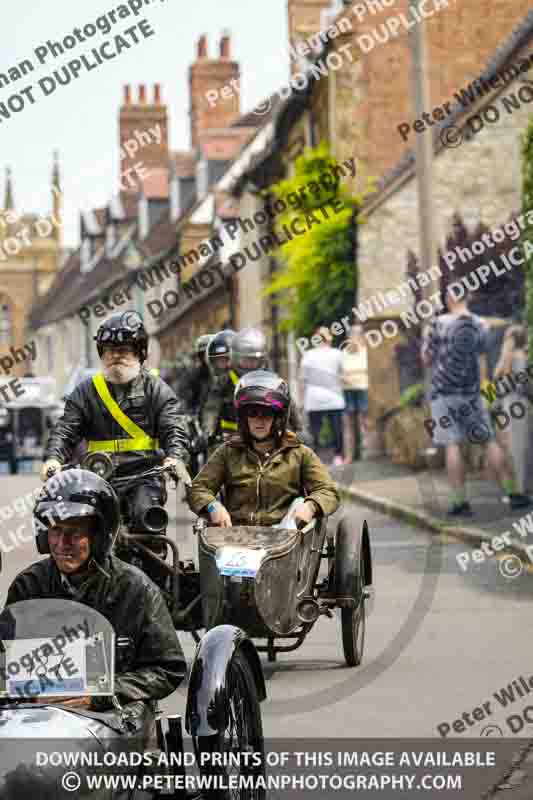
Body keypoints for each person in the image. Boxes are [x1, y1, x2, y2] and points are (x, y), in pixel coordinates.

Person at [5, 469, 186, 715]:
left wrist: (103, 695)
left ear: (99, 536)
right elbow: (6, 664)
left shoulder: (135, 589)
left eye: (75, 532)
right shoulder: (28, 586)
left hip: (112, 718)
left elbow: (168, 668)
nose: (62, 543)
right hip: (38, 716)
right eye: (55, 531)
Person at [40, 311, 191, 570]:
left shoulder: (156, 389)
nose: (116, 356)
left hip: (144, 475)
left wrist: (175, 457)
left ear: (140, 352)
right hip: (96, 476)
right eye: (109, 350)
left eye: (124, 349)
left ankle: (153, 579)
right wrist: (54, 457)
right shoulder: (87, 391)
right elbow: (66, 428)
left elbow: (174, 427)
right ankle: (73, 577)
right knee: (73, 522)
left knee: (148, 518)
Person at [421, 287, 531, 515]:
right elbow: (482, 360)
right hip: (472, 393)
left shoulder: (436, 324)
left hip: (444, 393)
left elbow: (426, 358)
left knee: (452, 445)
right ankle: (513, 494)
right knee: (489, 441)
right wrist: (482, 388)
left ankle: (460, 502)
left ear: (449, 298)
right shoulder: (480, 324)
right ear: (467, 297)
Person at [188, 370, 340, 528]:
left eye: (266, 413)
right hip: (235, 538)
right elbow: (197, 488)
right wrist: (213, 506)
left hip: (285, 540)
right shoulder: (228, 451)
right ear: (243, 417)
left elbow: (328, 490)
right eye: (252, 413)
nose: (259, 420)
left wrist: (310, 506)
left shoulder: (300, 453)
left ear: (278, 418)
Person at [299, 327, 346, 466]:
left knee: (314, 431)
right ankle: (338, 457)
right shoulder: (337, 354)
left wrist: (301, 402)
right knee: (337, 429)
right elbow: (344, 374)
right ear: (329, 339)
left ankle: (314, 459)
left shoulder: (308, 355)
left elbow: (302, 379)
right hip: (335, 398)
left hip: (314, 400)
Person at [342, 326, 369, 462]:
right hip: (347, 390)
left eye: (358, 335)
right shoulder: (343, 354)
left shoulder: (366, 352)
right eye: (352, 336)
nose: (355, 338)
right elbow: (339, 372)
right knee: (349, 424)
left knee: (363, 421)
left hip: (363, 389)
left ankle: (365, 452)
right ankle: (350, 455)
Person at [179, 333, 213, 423]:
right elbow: (185, 397)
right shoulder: (194, 375)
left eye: (210, 353)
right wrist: (188, 412)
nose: (207, 357)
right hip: (203, 421)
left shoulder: (228, 373)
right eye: (204, 354)